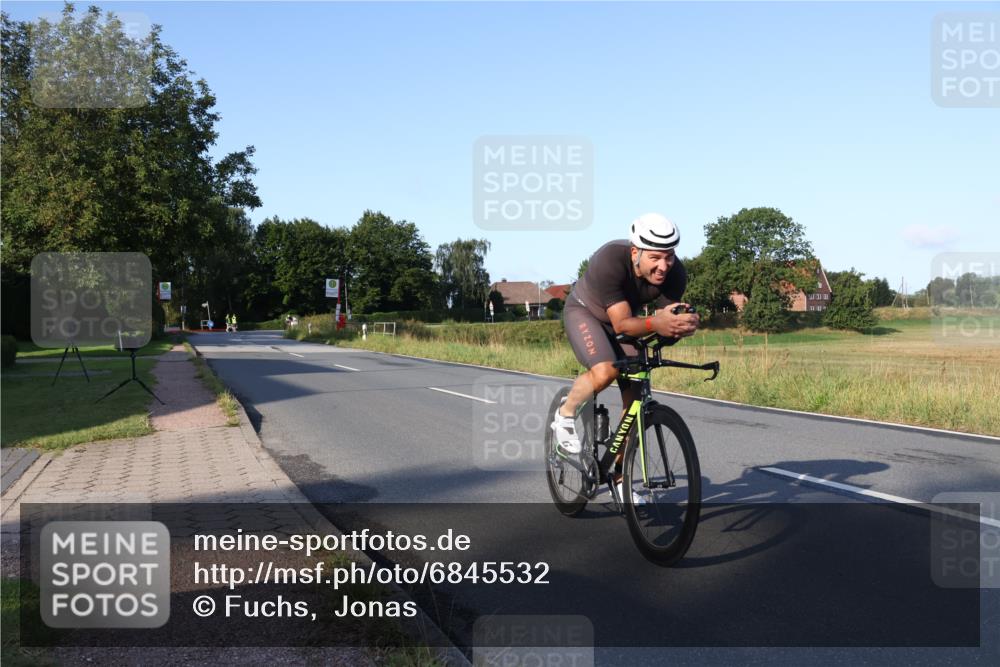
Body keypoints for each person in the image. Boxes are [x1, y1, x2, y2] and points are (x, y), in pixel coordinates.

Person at [551, 213, 700, 501]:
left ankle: (619, 478)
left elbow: (662, 321)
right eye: (656, 257)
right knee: (606, 371)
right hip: (586, 313)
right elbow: (621, 325)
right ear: (636, 252)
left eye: (669, 257)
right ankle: (565, 412)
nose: (664, 266)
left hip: (627, 319)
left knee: (636, 394)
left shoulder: (676, 274)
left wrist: (680, 326)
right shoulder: (610, 260)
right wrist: (656, 324)